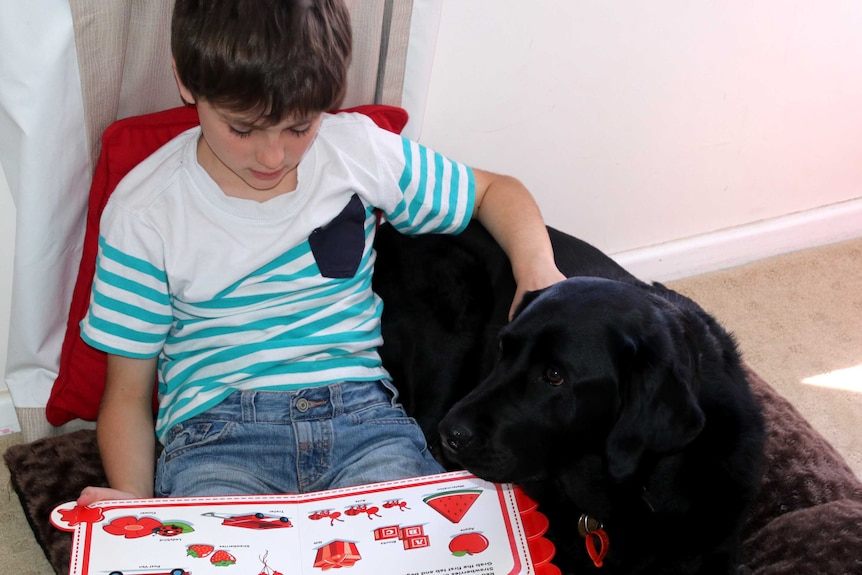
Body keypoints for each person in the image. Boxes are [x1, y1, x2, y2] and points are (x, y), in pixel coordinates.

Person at [77, 0, 564, 505]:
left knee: (418, 543)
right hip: (218, 438)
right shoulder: (144, 211)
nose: (273, 157)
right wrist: (130, 500)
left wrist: (538, 272)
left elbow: (494, 191)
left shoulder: (356, 151)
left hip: (363, 421)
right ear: (185, 81)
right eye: (242, 129)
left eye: (300, 127)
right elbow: (128, 394)